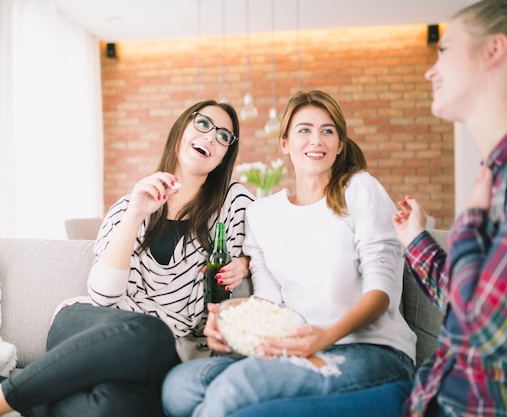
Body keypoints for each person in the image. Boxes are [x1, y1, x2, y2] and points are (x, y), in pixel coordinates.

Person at [229, 0, 507, 416]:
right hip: (442, 396)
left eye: (444, 50)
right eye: (303, 130)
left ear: (494, 50)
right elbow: (464, 297)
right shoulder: (502, 170)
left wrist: (467, 222)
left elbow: (484, 326)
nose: (431, 70)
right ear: (285, 144)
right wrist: (417, 241)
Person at [0, 100, 254, 417]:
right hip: (90, 326)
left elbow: (266, 246)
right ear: (181, 130)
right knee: (149, 332)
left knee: (117, 408)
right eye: (203, 124)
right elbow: (104, 295)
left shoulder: (233, 203)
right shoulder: (128, 205)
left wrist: (246, 263)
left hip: (161, 351)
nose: (210, 136)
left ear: (225, 154)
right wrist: (136, 212)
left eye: (223, 136)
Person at [161, 90, 417, 417]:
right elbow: (268, 299)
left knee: (231, 390)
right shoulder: (263, 214)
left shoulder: (360, 189)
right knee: (180, 386)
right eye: (304, 130)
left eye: (328, 131)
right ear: (285, 143)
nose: (317, 140)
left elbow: (381, 293)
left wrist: (324, 337)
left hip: (370, 351)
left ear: (340, 144)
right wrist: (228, 320)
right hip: (291, 348)